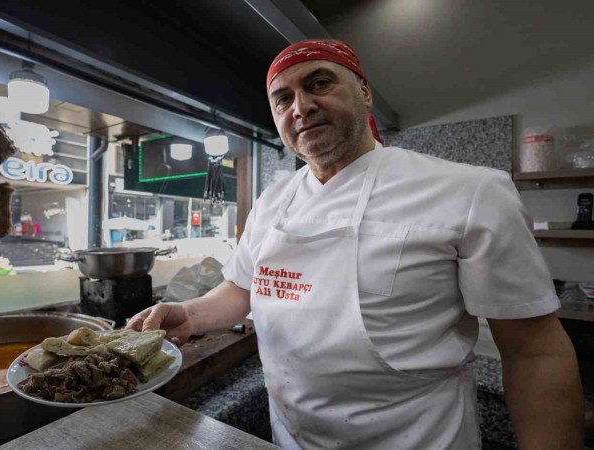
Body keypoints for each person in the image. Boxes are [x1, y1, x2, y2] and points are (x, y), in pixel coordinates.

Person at [128, 39, 583, 449]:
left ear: (364, 91)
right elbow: (242, 288)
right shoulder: (271, 202)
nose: (301, 107)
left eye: (319, 83)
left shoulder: (469, 192)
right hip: (293, 436)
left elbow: (535, 351)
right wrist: (190, 314)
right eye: (283, 98)